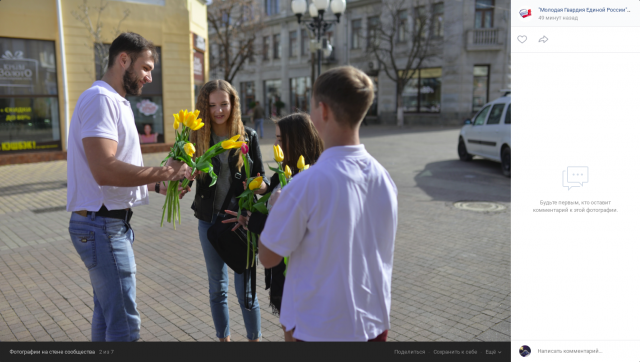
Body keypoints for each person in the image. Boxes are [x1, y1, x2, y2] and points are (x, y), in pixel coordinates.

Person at [66, 32, 193, 342]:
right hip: (102, 226)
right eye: (146, 68)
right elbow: (104, 170)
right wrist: (164, 171)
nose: (149, 77)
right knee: (124, 326)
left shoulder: (114, 101)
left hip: (104, 223)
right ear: (124, 59)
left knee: (108, 318)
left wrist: (155, 186)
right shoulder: (101, 99)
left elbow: (109, 172)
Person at [258, 66, 398, 342]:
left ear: (322, 111)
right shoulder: (384, 178)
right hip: (372, 324)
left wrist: (275, 208)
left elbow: (268, 257)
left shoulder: (304, 185)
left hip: (318, 327)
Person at [223, 113, 323, 342]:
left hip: (296, 274)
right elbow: (272, 211)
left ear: (296, 140)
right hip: (282, 271)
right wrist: (246, 213)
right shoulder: (284, 173)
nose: (275, 144)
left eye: (280, 139)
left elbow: (290, 226)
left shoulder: (305, 177)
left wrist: (253, 222)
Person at [190, 79, 268, 342]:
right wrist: (180, 180)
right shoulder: (198, 136)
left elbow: (263, 178)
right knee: (217, 290)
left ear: (233, 103)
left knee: (246, 290)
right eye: (212, 105)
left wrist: (260, 186)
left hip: (239, 221)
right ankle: (224, 340)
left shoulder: (248, 136)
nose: (219, 110)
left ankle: (254, 340)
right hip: (208, 221)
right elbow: (185, 174)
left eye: (224, 104)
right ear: (205, 106)